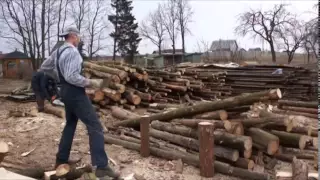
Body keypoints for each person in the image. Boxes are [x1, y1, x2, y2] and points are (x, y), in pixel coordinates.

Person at [39, 27, 120, 179]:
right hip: (75, 93)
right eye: (78, 36)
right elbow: (71, 76)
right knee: (95, 126)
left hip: (65, 92)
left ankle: (61, 160)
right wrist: (92, 83)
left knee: (70, 123)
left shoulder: (58, 51)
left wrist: (59, 78)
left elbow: (45, 67)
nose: (79, 39)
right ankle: (101, 167)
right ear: (73, 36)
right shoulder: (72, 52)